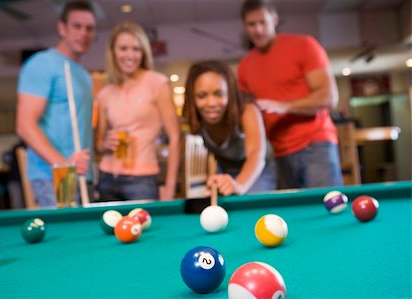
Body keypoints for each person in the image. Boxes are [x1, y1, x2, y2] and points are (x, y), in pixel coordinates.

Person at [238, 0, 343, 189]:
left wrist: (283, 106)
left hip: (315, 145)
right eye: (251, 24)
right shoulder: (244, 66)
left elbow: (329, 97)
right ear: (244, 26)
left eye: (263, 22)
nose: (258, 30)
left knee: (327, 208)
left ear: (275, 20)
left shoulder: (304, 45)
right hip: (276, 154)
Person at [16, 0, 97, 207]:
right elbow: (25, 125)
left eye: (89, 28)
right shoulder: (41, 64)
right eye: (76, 26)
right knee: (68, 238)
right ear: (62, 28)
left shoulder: (84, 75)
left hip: (82, 173)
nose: (83, 33)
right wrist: (63, 165)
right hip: (53, 175)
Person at [96, 21, 180, 201]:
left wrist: (170, 186)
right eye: (123, 48)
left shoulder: (158, 83)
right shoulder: (104, 92)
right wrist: (106, 144)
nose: (130, 55)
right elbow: (99, 145)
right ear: (113, 52)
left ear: (144, 52)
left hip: (142, 180)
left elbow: (174, 136)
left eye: (136, 49)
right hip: (107, 177)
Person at [183, 60, 274, 196]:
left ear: (229, 93)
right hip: (225, 170)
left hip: (258, 169)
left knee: (249, 204)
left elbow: (256, 154)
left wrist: (239, 185)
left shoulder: (247, 110)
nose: (211, 103)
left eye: (218, 94)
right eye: (202, 96)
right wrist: (211, 178)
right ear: (192, 98)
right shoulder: (196, 118)